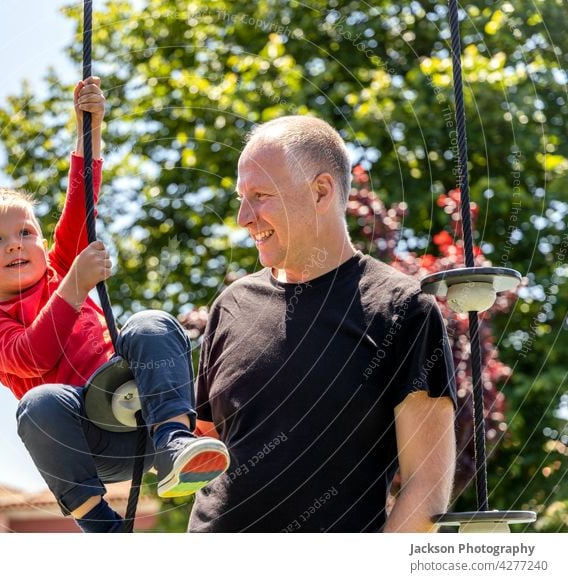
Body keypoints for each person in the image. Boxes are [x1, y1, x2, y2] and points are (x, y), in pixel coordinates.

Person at [0, 77, 229, 533]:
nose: (15, 246)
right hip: (92, 441)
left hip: (144, 417)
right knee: (38, 404)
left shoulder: (61, 267)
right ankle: (99, 522)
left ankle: (177, 443)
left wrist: (91, 127)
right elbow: (33, 355)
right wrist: (75, 287)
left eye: (25, 233)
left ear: (42, 241)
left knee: (149, 324)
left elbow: (81, 200)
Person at [188, 115, 457, 533]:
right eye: (241, 197)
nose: (243, 217)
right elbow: (203, 451)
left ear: (320, 191)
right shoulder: (230, 305)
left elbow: (428, 485)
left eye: (259, 195)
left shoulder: (403, 309)